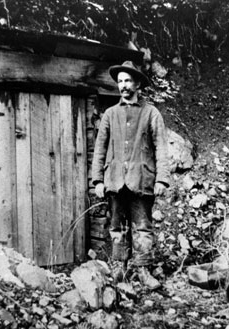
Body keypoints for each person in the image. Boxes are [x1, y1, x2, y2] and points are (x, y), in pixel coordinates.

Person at [91, 61, 170, 288]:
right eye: (120, 82)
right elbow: (100, 148)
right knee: (117, 226)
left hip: (142, 179)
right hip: (115, 180)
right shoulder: (110, 114)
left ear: (137, 84)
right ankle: (120, 268)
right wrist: (97, 180)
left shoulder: (151, 113)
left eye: (128, 81)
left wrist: (162, 179)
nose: (123, 86)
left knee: (143, 227)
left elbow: (161, 147)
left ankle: (143, 270)